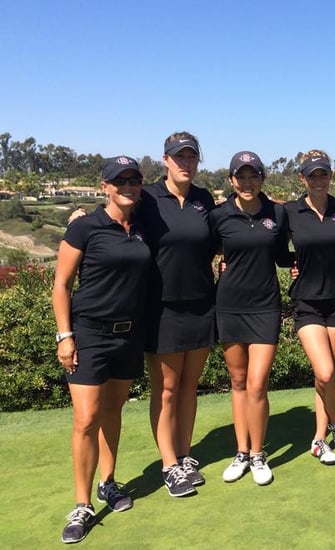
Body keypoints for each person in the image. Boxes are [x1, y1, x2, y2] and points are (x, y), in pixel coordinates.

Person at [52, 156, 150, 543]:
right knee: (86, 418)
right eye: (119, 180)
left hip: (128, 336)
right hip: (89, 334)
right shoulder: (85, 227)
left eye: (134, 179)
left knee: (113, 410)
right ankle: (81, 503)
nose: (128, 185)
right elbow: (61, 285)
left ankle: (108, 483)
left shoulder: (143, 228)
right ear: (104, 186)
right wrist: (65, 336)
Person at [209, 151, 294, 485]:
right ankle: (241, 452)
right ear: (231, 180)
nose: (247, 182)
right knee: (239, 382)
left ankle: (258, 454)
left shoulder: (278, 213)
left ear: (262, 179)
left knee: (258, 384)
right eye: (241, 176)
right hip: (229, 305)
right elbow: (207, 252)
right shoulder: (219, 216)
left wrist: (305, 261)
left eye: (253, 176)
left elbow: (281, 255)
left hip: (265, 306)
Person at [140, 132, 217, 496]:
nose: (185, 163)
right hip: (161, 307)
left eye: (191, 157)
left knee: (189, 386)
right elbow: (115, 220)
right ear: (165, 160)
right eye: (179, 157)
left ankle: (186, 456)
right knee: (167, 388)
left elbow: (222, 240)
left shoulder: (204, 199)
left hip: (202, 304)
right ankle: (169, 464)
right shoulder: (148, 199)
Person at [283, 150, 335, 465]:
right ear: (302, 178)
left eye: (323, 174)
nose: (319, 180)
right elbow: (272, 247)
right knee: (323, 371)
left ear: (330, 176)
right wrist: (291, 262)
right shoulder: (289, 212)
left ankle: (322, 435)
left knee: (326, 376)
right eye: (312, 175)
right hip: (307, 301)